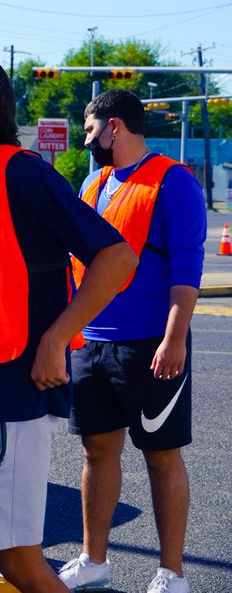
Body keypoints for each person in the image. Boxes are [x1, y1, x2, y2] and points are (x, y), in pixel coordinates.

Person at [0, 49, 138, 592]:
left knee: (18, 561)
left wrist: (57, 339)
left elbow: (116, 257)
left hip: (6, 393)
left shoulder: (23, 174)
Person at [57, 90, 204, 593]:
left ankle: (172, 573)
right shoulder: (92, 182)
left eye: (89, 128)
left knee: (161, 455)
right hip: (90, 344)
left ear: (114, 126)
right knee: (96, 454)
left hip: (149, 344)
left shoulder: (173, 180)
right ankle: (93, 560)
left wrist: (175, 339)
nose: (85, 137)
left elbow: (187, 267)